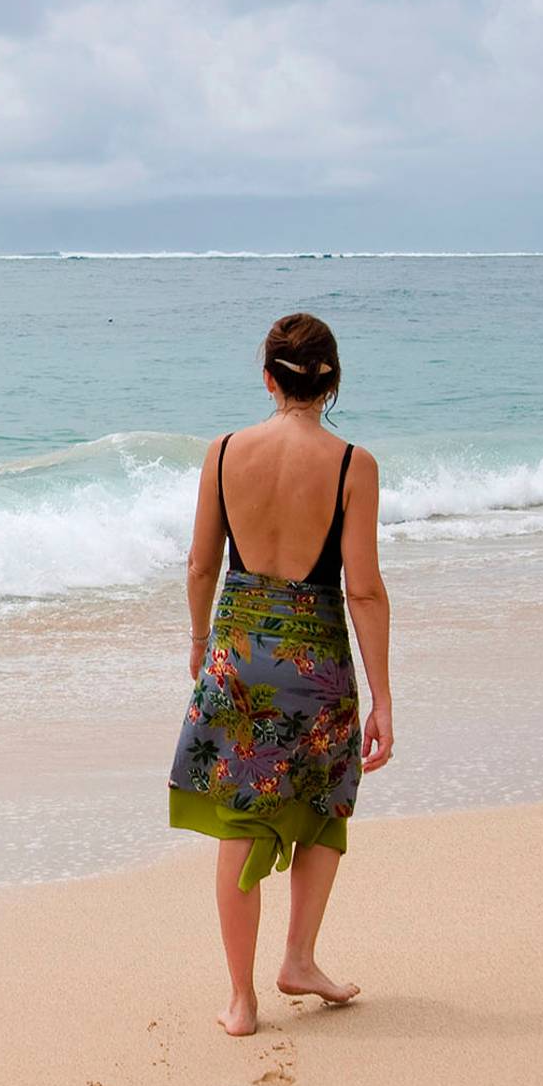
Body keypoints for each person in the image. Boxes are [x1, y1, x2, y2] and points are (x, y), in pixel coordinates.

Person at [167, 311, 393, 1037]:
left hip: (239, 650)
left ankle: (241, 999)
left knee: (240, 813)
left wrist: (201, 640)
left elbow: (202, 563)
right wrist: (383, 696)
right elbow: (363, 589)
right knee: (323, 802)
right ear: (332, 384)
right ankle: (298, 958)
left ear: (268, 378)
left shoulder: (225, 451)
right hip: (316, 657)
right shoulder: (354, 464)